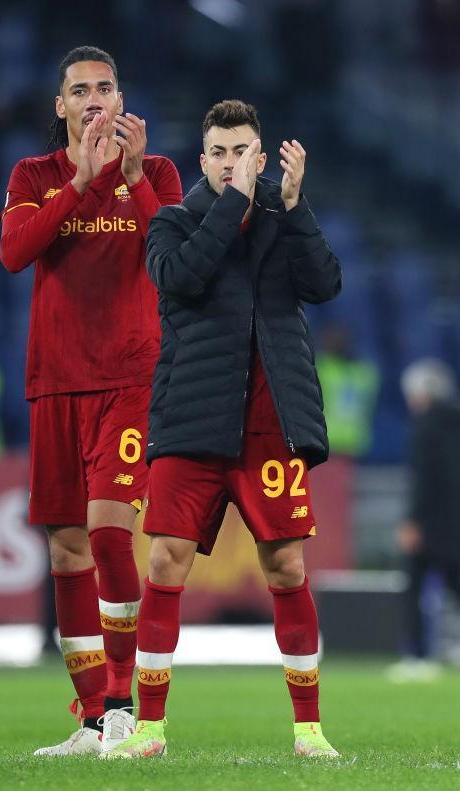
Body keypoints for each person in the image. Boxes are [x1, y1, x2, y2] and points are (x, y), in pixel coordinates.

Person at [104, 99, 342, 760]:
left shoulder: (282, 217)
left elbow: (325, 284)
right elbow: (180, 278)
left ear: (261, 158)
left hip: (270, 422)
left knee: (288, 566)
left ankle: (309, 730)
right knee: (165, 560)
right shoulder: (173, 221)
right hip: (192, 416)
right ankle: (149, 729)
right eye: (218, 151)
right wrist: (233, 205)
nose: (230, 162)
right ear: (202, 158)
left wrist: (295, 210)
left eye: (241, 152)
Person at [0, 45, 182, 755]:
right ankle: (86, 719)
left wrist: (131, 178)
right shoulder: (34, 176)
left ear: (121, 97)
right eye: (80, 90)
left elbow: (177, 253)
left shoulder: (157, 171)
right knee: (67, 547)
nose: (95, 99)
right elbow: (16, 251)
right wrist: (77, 185)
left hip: (131, 378)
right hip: (55, 380)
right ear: (61, 106)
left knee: (109, 532)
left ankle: (120, 707)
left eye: (106, 87)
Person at [392, 359, 460, 677]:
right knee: (455, 583)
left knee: (413, 584)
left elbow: (424, 479)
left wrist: (413, 521)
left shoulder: (426, 426)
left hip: (431, 522)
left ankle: (418, 657)